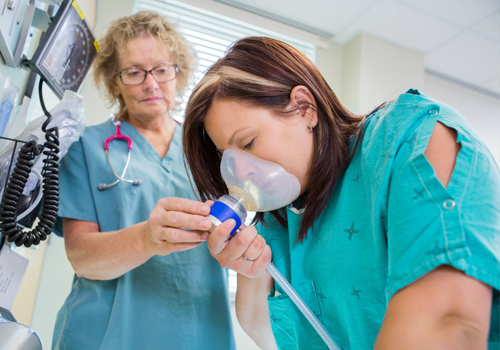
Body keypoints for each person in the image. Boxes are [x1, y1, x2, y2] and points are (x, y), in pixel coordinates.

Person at [182, 37, 500, 349]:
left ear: (305, 109)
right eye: (227, 156)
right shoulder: (279, 220)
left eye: (249, 143)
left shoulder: (412, 140)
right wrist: (251, 271)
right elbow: (269, 334)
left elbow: (447, 323)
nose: (239, 171)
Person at [52, 12, 236, 350]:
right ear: (114, 82)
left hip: (198, 333)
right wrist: (147, 239)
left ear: (178, 75)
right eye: (135, 72)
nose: (151, 84)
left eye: (162, 70)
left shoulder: (214, 149)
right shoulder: (86, 147)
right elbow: (81, 257)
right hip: (107, 336)